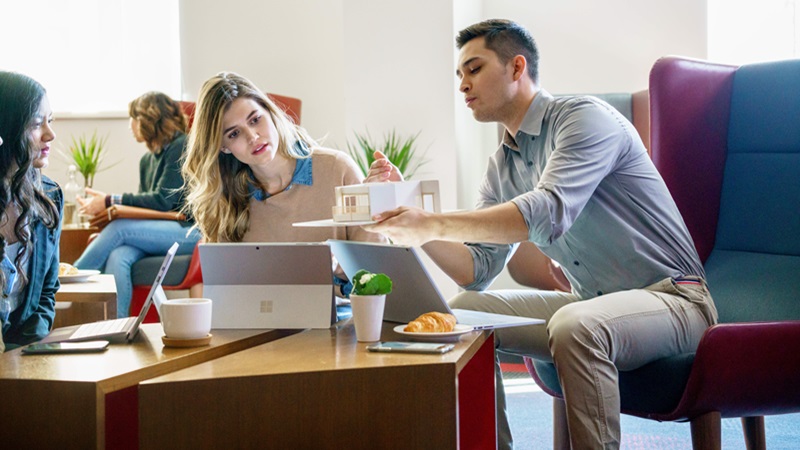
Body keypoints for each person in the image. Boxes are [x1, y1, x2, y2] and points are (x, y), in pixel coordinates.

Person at [365, 19, 717, 449]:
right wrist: (413, 227)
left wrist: (432, 221)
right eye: (459, 75)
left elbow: (547, 211)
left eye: (474, 70)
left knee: (576, 325)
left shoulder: (583, 118)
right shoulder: (503, 166)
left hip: (675, 299)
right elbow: (476, 269)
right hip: (593, 303)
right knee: (463, 313)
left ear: (517, 68)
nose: (463, 86)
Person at [182, 72, 383, 300]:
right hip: (262, 323)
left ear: (271, 113)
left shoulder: (337, 169)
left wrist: (337, 267)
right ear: (223, 147)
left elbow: (377, 275)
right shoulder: (227, 201)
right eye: (235, 133)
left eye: (255, 119)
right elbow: (227, 294)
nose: (253, 136)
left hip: (341, 320)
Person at [75, 92, 201, 318]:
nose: (130, 125)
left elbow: (163, 201)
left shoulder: (181, 145)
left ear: (148, 119)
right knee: (119, 255)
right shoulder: (147, 160)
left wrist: (109, 200)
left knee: (119, 229)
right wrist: (109, 204)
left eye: (133, 118)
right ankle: (119, 328)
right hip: (164, 231)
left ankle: (67, 282)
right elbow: (147, 209)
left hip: (190, 232)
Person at [0, 71, 63, 351]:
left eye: (50, 121)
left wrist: (28, 347)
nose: (50, 134)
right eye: (38, 123)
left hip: (22, 352)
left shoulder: (49, 197)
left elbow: (47, 292)